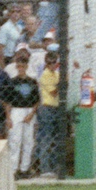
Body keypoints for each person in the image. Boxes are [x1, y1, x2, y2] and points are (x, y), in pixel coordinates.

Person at [1, 48, 41, 178]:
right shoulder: (12, 82)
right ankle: (13, 169)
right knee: (15, 139)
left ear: (26, 67)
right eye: (18, 66)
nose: (20, 69)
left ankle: (25, 168)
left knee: (28, 140)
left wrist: (31, 114)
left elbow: (37, 100)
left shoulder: (32, 81)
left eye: (23, 66)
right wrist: (8, 117)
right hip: (16, 110)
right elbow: (8, 101)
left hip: (29, 109)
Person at [35, 42, 63, 177]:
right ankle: (45, 168)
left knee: (55, 138)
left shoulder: (56, 74)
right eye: (50, 63)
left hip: (55, 108)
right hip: (47, 107)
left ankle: (53, 166)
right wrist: (62, 83)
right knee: (46, 138)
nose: (52, 65)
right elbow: (53, 92)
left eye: (54, 62)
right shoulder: (46, 75)